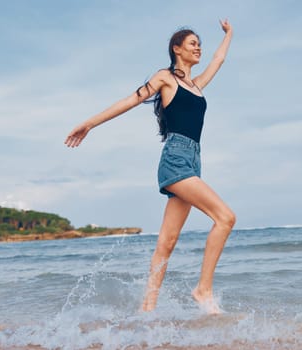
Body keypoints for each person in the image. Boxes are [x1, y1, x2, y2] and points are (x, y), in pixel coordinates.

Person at [65, 19, 235, 314]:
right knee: (225, 217)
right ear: (177, 48)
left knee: (166, 242)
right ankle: (203, 289)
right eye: (193, 44)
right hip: (176, 158)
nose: (199, 49)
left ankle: (147, 309)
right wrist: (89, 123)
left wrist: (229, 34)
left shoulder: (196, 84)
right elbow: (131, 100)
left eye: (200, 45)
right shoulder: (165, 78)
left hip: (194, 160)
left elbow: (219, 60)